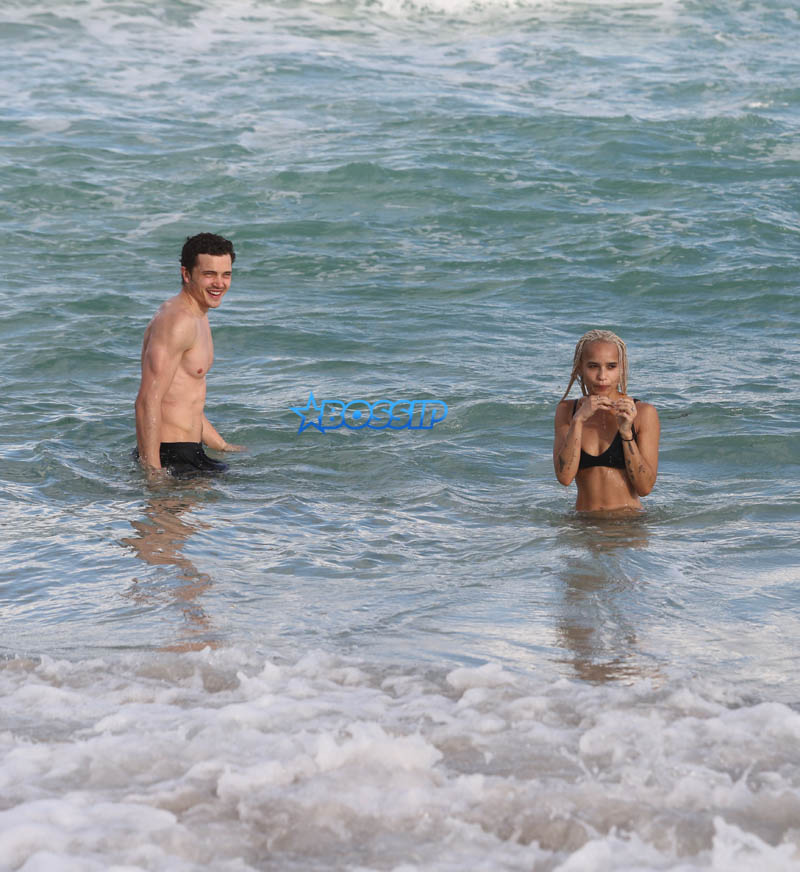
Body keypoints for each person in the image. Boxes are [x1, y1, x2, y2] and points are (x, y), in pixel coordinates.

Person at [135, 233, 243, 477]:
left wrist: (221, 445)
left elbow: (183, 398)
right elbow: (146, 400)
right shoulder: (177, 321)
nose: (219, 283)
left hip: (191, 452)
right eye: (209, 274)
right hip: (170, 457)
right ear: (186, 274)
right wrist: (152, 472)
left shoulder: (198, 315)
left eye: (225, 274)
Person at [553, 330, 659, 512]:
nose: (602, 376)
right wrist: (578, 421)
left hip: (629, 527)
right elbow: (565, 478)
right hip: (583, 526)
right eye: (593, 366)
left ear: (622, 368)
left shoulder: (642, 413)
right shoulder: (567, 411)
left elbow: (645, 488)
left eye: (611, 366)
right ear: (580, 368)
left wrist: (626, 433)